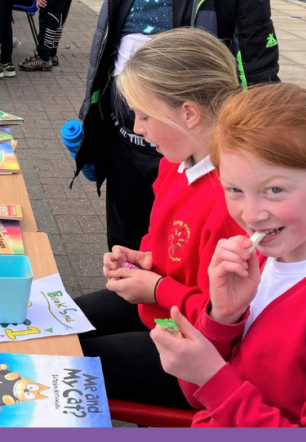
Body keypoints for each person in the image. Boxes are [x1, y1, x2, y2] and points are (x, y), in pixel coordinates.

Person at [74, 0, 280, 252]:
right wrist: (91, 123)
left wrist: (251, 163)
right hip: (126, 149)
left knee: (181, 262)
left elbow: (261, 84)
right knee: (126, 255)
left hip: (195, 164)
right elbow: (103, 61)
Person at [152, 83, 306, 427]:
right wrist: (222, 318)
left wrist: (215, 379)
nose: (250, 214)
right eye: (234, 190)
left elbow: (211, 391)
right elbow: (195, 394)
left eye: (274, 190)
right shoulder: (264, 256)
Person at [75, 28, 245, 408]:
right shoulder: (176, 163)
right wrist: (142, 260)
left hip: (203, 354)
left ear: (188, 113)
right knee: (55, 329)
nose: (137, 128)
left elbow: (224, 320)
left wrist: (154, 288)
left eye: (143, 115)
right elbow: (165, 241)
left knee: (65, 360)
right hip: (163, 308)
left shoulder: (235, 199)